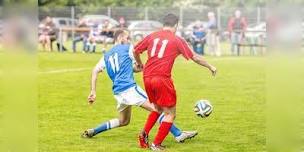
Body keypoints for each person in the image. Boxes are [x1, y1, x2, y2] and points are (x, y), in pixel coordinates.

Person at [82, 29, 198, 144]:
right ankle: (178, 134)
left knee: (123, 121)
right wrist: (141, 65)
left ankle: (94, 131)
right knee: (157, 110)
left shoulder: (106, 55)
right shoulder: (128, 48)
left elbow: (95, 71)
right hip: (129, 88)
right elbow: (137, 59)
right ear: (121, 38)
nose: (128, 40)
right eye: (127, 38)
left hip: (118, 92)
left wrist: (93, 91)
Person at [134, 13, 217, 151]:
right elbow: (194, 57)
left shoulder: (152, 36)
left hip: (147, 77)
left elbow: (135, 50)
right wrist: (210, 66)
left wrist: (139, 64)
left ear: (163, 24)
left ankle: (143, 135)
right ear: (176, 25)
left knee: (158, 108)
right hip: (161, 78)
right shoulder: (176, 39)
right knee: (170, 113)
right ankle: (156, 144)